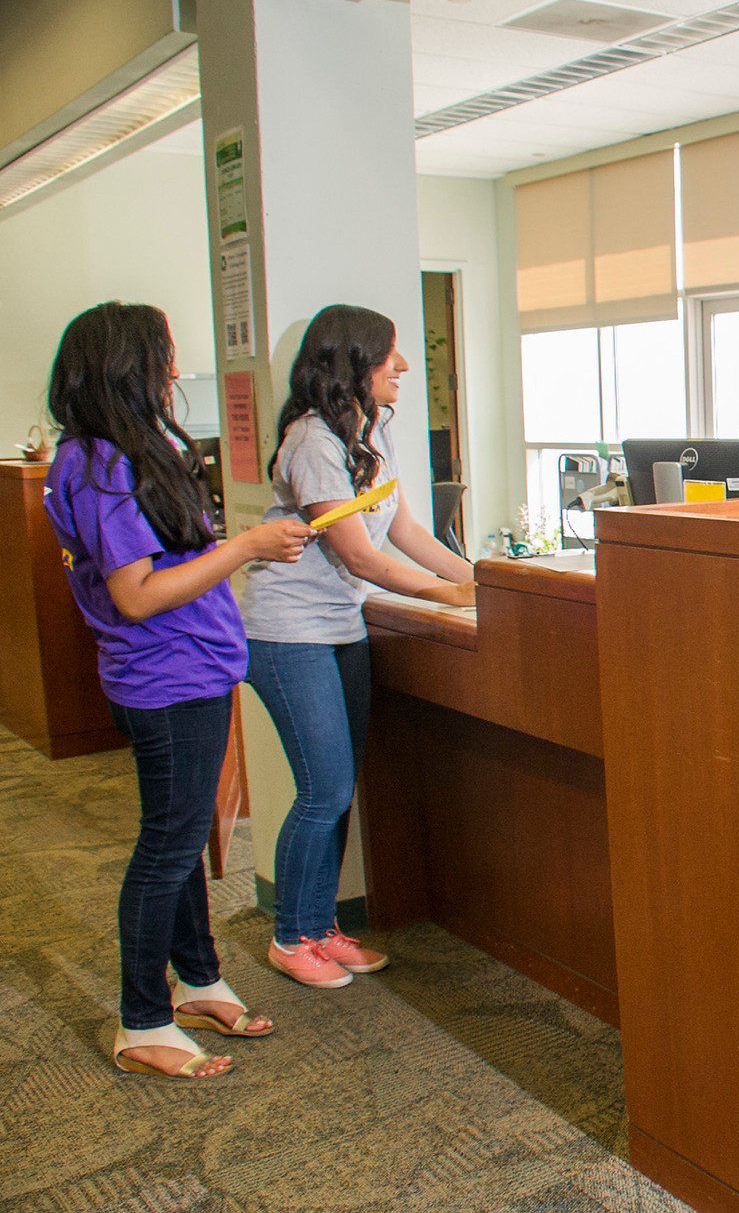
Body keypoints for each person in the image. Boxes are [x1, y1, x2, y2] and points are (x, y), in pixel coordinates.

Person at [42, 302, 318, 1079]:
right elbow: (135, 592)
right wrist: (247, 547)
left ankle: (196, 981)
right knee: (166, 850)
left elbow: (167, 564)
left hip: (187, 667)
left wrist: (237, 551)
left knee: (187, 839)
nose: (173, 370)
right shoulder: (97, 466)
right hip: (164, 676)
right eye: (162, 356)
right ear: (128, 366)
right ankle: (143, 1021)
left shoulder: (130, 451)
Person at [241, 303, 475, 989]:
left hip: (340, 628)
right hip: (288, 634)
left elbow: (405, 531)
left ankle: (320, 927)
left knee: (337, 790)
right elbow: (359, 558)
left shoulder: (370, 433)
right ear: (353, 366)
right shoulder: (313, 441)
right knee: (324, 788)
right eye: (388, 356)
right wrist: (442, 596)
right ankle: (291, 937)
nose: (402, 367)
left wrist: (481, 578)